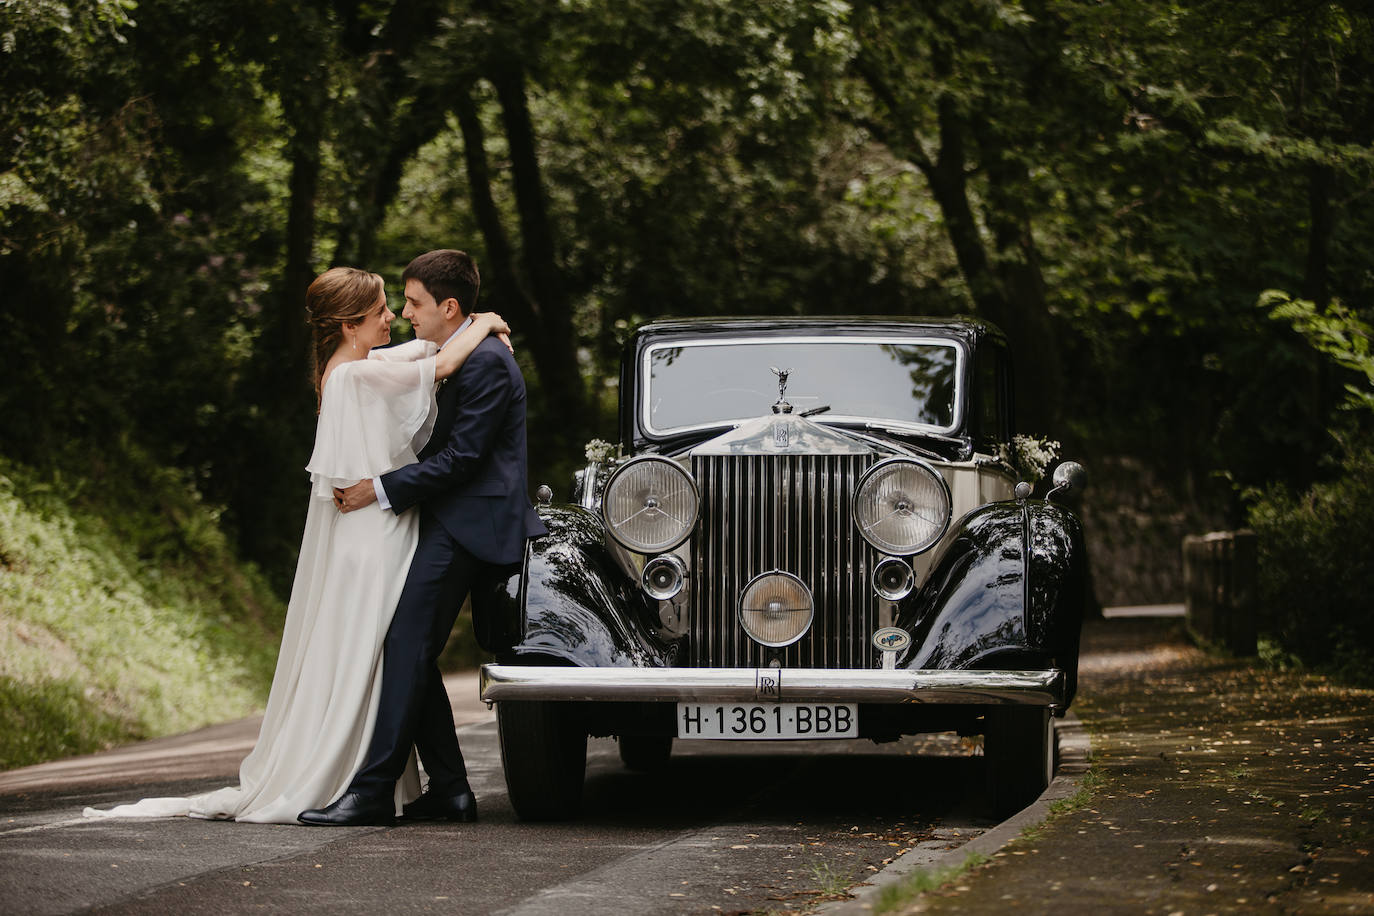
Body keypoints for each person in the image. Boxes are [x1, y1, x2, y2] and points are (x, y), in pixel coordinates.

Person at [83, 266, 509, 824]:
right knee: (384, 651)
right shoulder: (355, 376)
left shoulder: (359, 364)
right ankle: (365, 777)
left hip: (383, 520)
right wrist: (486, 321)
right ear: (350, 325)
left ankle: (434, 785)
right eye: (383, 310)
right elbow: (443, 361)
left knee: (402, 653)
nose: (394, 318)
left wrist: (470, 326)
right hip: (374, 531)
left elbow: (420, 353)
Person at [299, 249, 547, 826]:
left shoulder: (484, 361)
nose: (406, 314)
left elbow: (461, 459)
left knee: (405, 644)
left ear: (449, 306)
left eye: (412, 303)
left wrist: (379, 489)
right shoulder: (461, 348)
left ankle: (373, 788)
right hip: (446, 514)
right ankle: (452, 789)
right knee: (411, 647)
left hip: (469, 521)